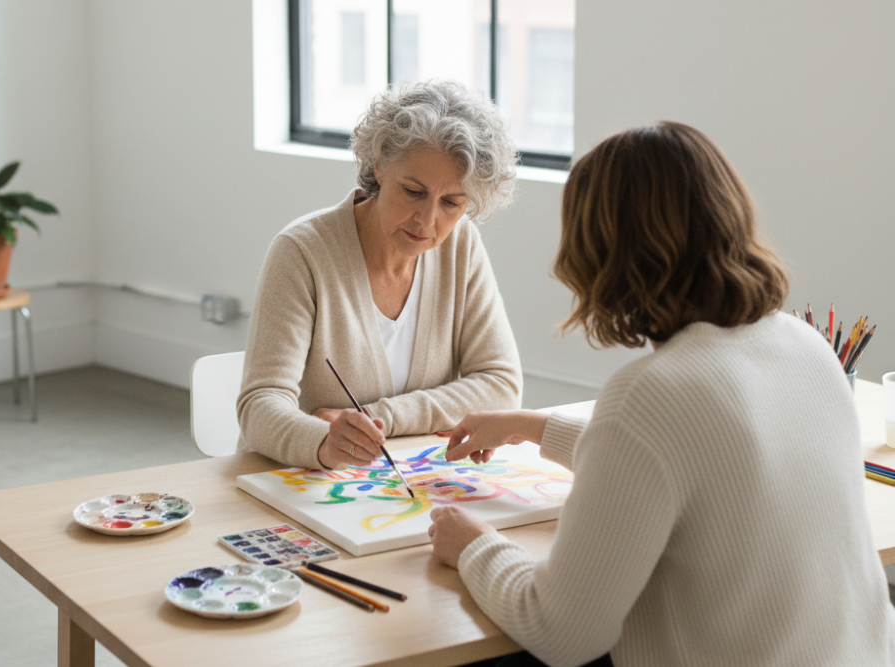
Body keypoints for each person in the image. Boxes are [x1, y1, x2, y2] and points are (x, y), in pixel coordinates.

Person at [428, 121, 895, 667]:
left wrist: (475, 546)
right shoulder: (805, 346)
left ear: (600, 250)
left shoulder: (651, 396)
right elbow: (695, 467)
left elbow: (560, 632)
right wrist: (533, 427)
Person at [238, 81, 523, 471]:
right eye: (412, 191)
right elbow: (260, 405)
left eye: (452, 203)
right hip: (301, 483)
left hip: (403, 486)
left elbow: (501, 386)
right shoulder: (303, 251)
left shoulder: (461, 245)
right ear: (379, 165)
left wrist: (380, 418)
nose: (428, 220)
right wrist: (323, 442)